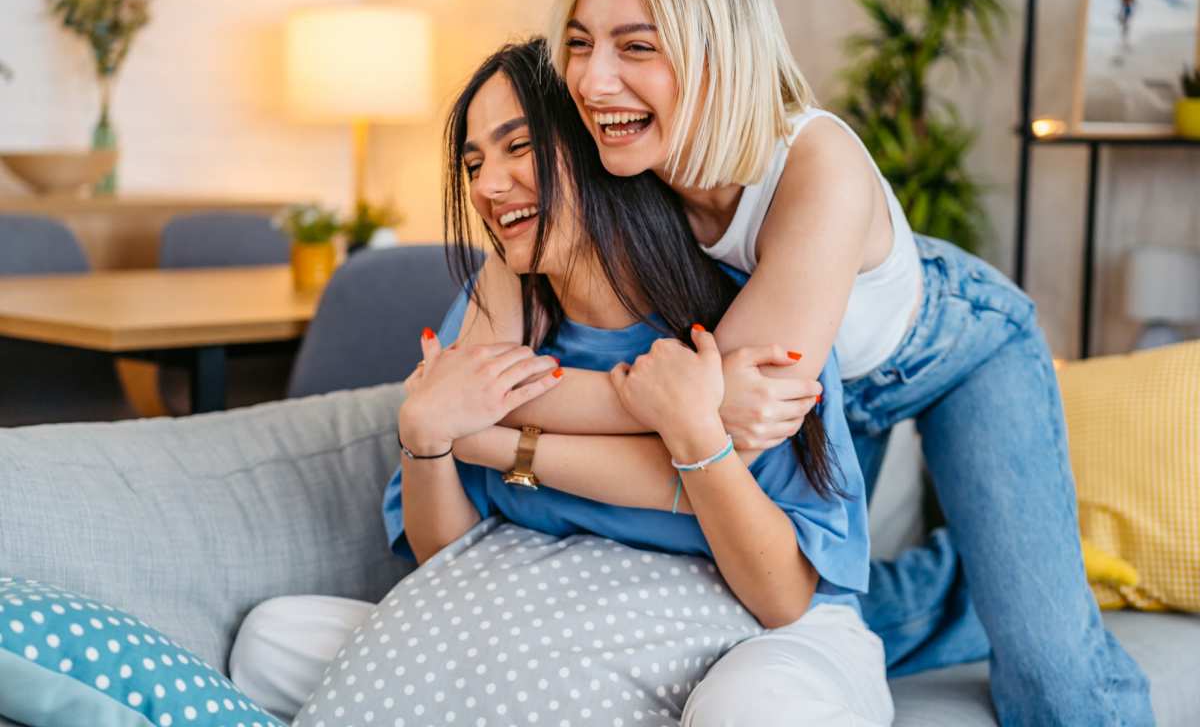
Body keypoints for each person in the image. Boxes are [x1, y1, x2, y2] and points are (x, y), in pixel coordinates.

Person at [442, 0, 1151, 724]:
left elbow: (715, 435)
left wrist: (489, 431)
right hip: (824, 392)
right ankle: (968, 584)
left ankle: (1029, 571)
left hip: (950, 353)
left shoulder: (816, 164)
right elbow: (504, 362)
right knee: (803, 601)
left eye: (634, 45)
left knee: (1053, 678)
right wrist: (477, 418)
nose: (593, 78)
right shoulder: (623, 156)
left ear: (719, 48)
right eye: (577, 44)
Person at [229, 39, 893, 727]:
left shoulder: (740, 320)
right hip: (548, 616)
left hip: (756, 633)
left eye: (518, 148)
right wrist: (425, 438)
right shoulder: (495, 316)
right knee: (271, 640)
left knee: (757, 712)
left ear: (591, 149)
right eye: (475, 163)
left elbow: (782, 595)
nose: (488, 186)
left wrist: (490, 439)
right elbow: (441, 555)